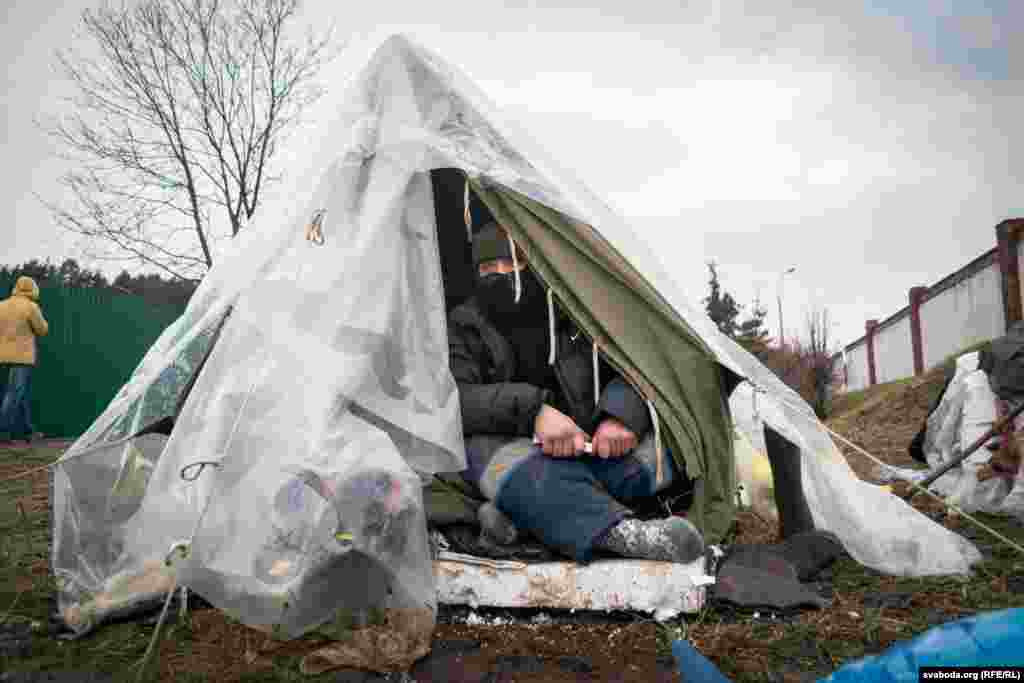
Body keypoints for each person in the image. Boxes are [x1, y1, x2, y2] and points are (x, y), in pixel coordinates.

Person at [446, 221, 705, 564]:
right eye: (488, 268)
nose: (502, 275)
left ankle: (525, 518)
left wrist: (620, 417)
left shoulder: (578, 310)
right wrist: (534, 412)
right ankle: (623, 534)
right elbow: (453, 399)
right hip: (514, 452)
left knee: (663, 454)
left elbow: (640, 362)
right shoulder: (462, 326)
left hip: (589, 448)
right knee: (503, 464)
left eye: (514, 264)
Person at [0, 276, 49, 449]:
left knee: (21, 396)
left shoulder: (2, 305)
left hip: (2, 357)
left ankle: (28, 431)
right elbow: (42, 329)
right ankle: (3, 432)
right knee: (14, 395)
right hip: (21, 358)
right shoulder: (30, 307)